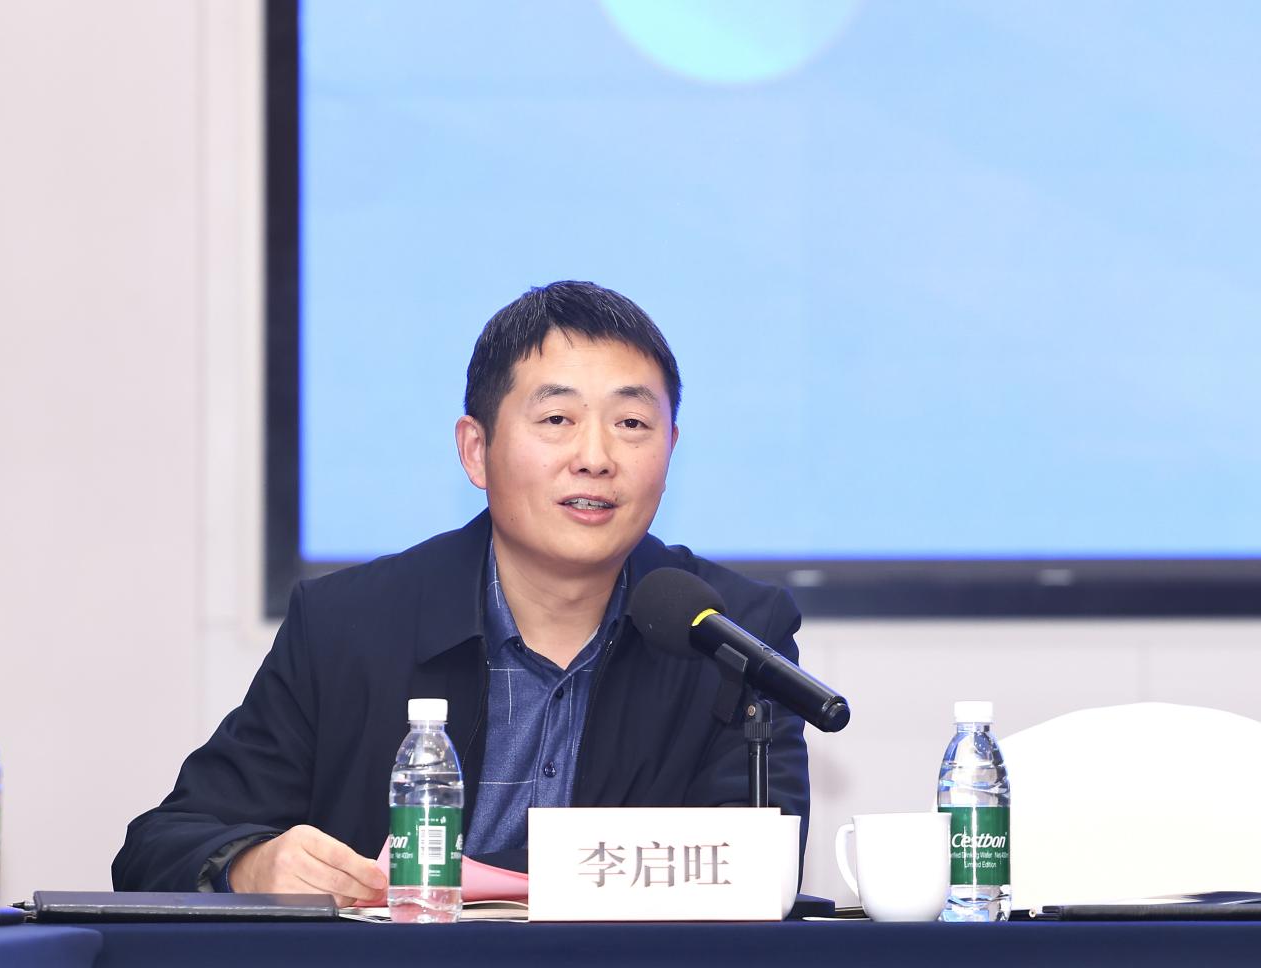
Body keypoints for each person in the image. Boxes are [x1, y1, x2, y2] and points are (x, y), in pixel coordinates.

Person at [112, 281, 809, 905]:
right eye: (557, 420)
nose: (596, 457)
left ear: (670, 447)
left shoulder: (733, 636)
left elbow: (753, 875)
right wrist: (251, 864)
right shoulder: (347, 625)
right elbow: (162, 844)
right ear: (476, 450)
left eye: (631, 424)